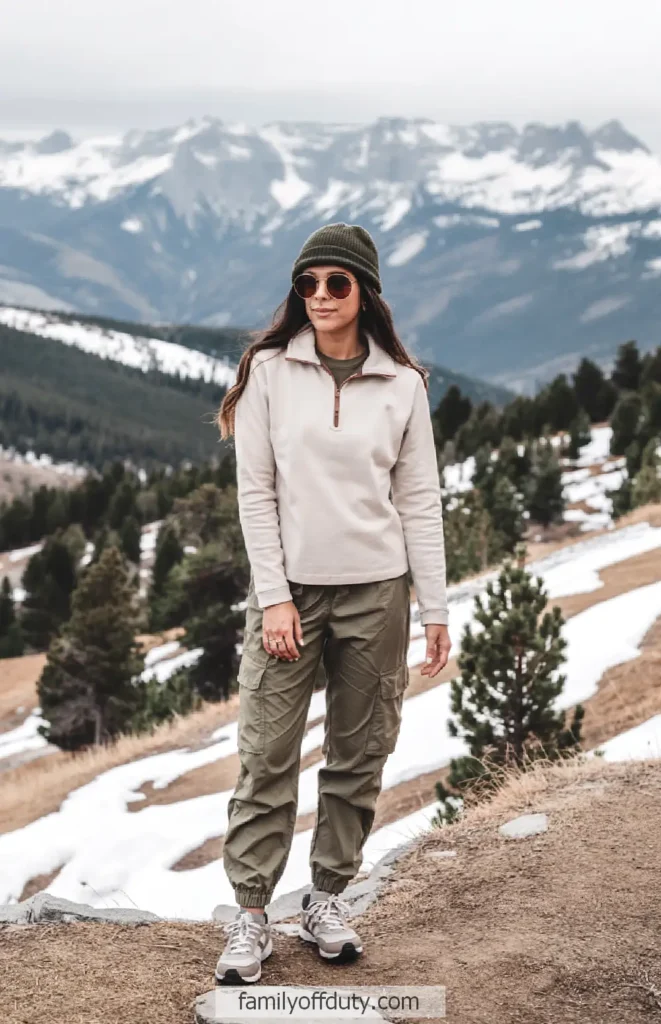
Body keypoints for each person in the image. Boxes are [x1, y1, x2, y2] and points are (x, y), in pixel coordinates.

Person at [214, 222, 451, 984]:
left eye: (335, 284)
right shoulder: (268, 372)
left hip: (377, 593)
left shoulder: (403, 386)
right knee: (266, 755)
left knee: (359, 754)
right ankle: (251, 916)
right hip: (289, 596)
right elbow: (255, 492)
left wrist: (434, 609)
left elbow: (419, 501)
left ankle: (325, 898)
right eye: (307, 283)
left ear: (364, 293)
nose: (318, 296)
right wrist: (275, 597)